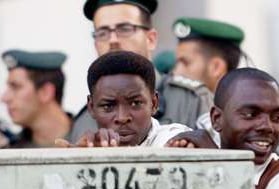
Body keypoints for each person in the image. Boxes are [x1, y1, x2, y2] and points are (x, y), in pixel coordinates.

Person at [56, 51, 191, 147]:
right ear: (91, 108)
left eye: (135, 103)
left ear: (154, 103)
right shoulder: (89, 146)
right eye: (108, 106)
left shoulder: (172, 140)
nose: (122, 117)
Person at [69, 0, 160, 143]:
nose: (113, 40)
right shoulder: (83, 122)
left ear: (151, 39)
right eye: (102, 32)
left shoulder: (187, 100)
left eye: (125, 29)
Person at [209, 68, 279, 189]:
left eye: (277, 117)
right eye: (250, 114)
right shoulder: (186, 147)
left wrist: (212, 160)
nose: (267, 127)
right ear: (217, 119)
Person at [157, 17, 244, 129]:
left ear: (216, 67)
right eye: (177, 63)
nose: (175, 71)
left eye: (185, 63)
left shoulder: (239, 122)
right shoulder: (172, 101)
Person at [1, 49, 72, 148]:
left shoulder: (93, 138)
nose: (4, 98)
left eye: (16, 87)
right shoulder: (11, 149)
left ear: (45, 92)